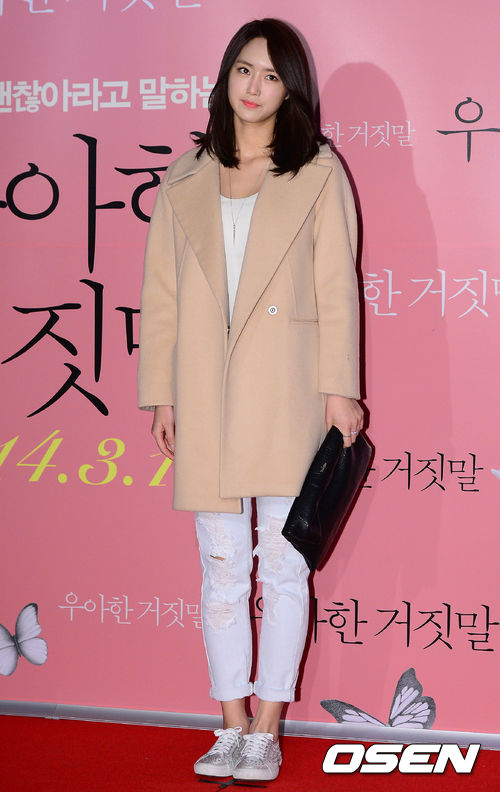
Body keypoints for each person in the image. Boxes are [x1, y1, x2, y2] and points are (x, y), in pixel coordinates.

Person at [138, 17, 363, 783]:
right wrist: (161, 395)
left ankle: (266, 728)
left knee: (286, 568)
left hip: (288, 393)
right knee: (221, 567)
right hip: (205, 393)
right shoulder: (184, 177)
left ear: (291, 89)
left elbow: (337, 289)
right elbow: (161, 298)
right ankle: (230, 722)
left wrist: (340, 391)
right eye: (244, 69)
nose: (255, 86)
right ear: (225, 77)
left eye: (271, 75)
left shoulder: (318, 171)